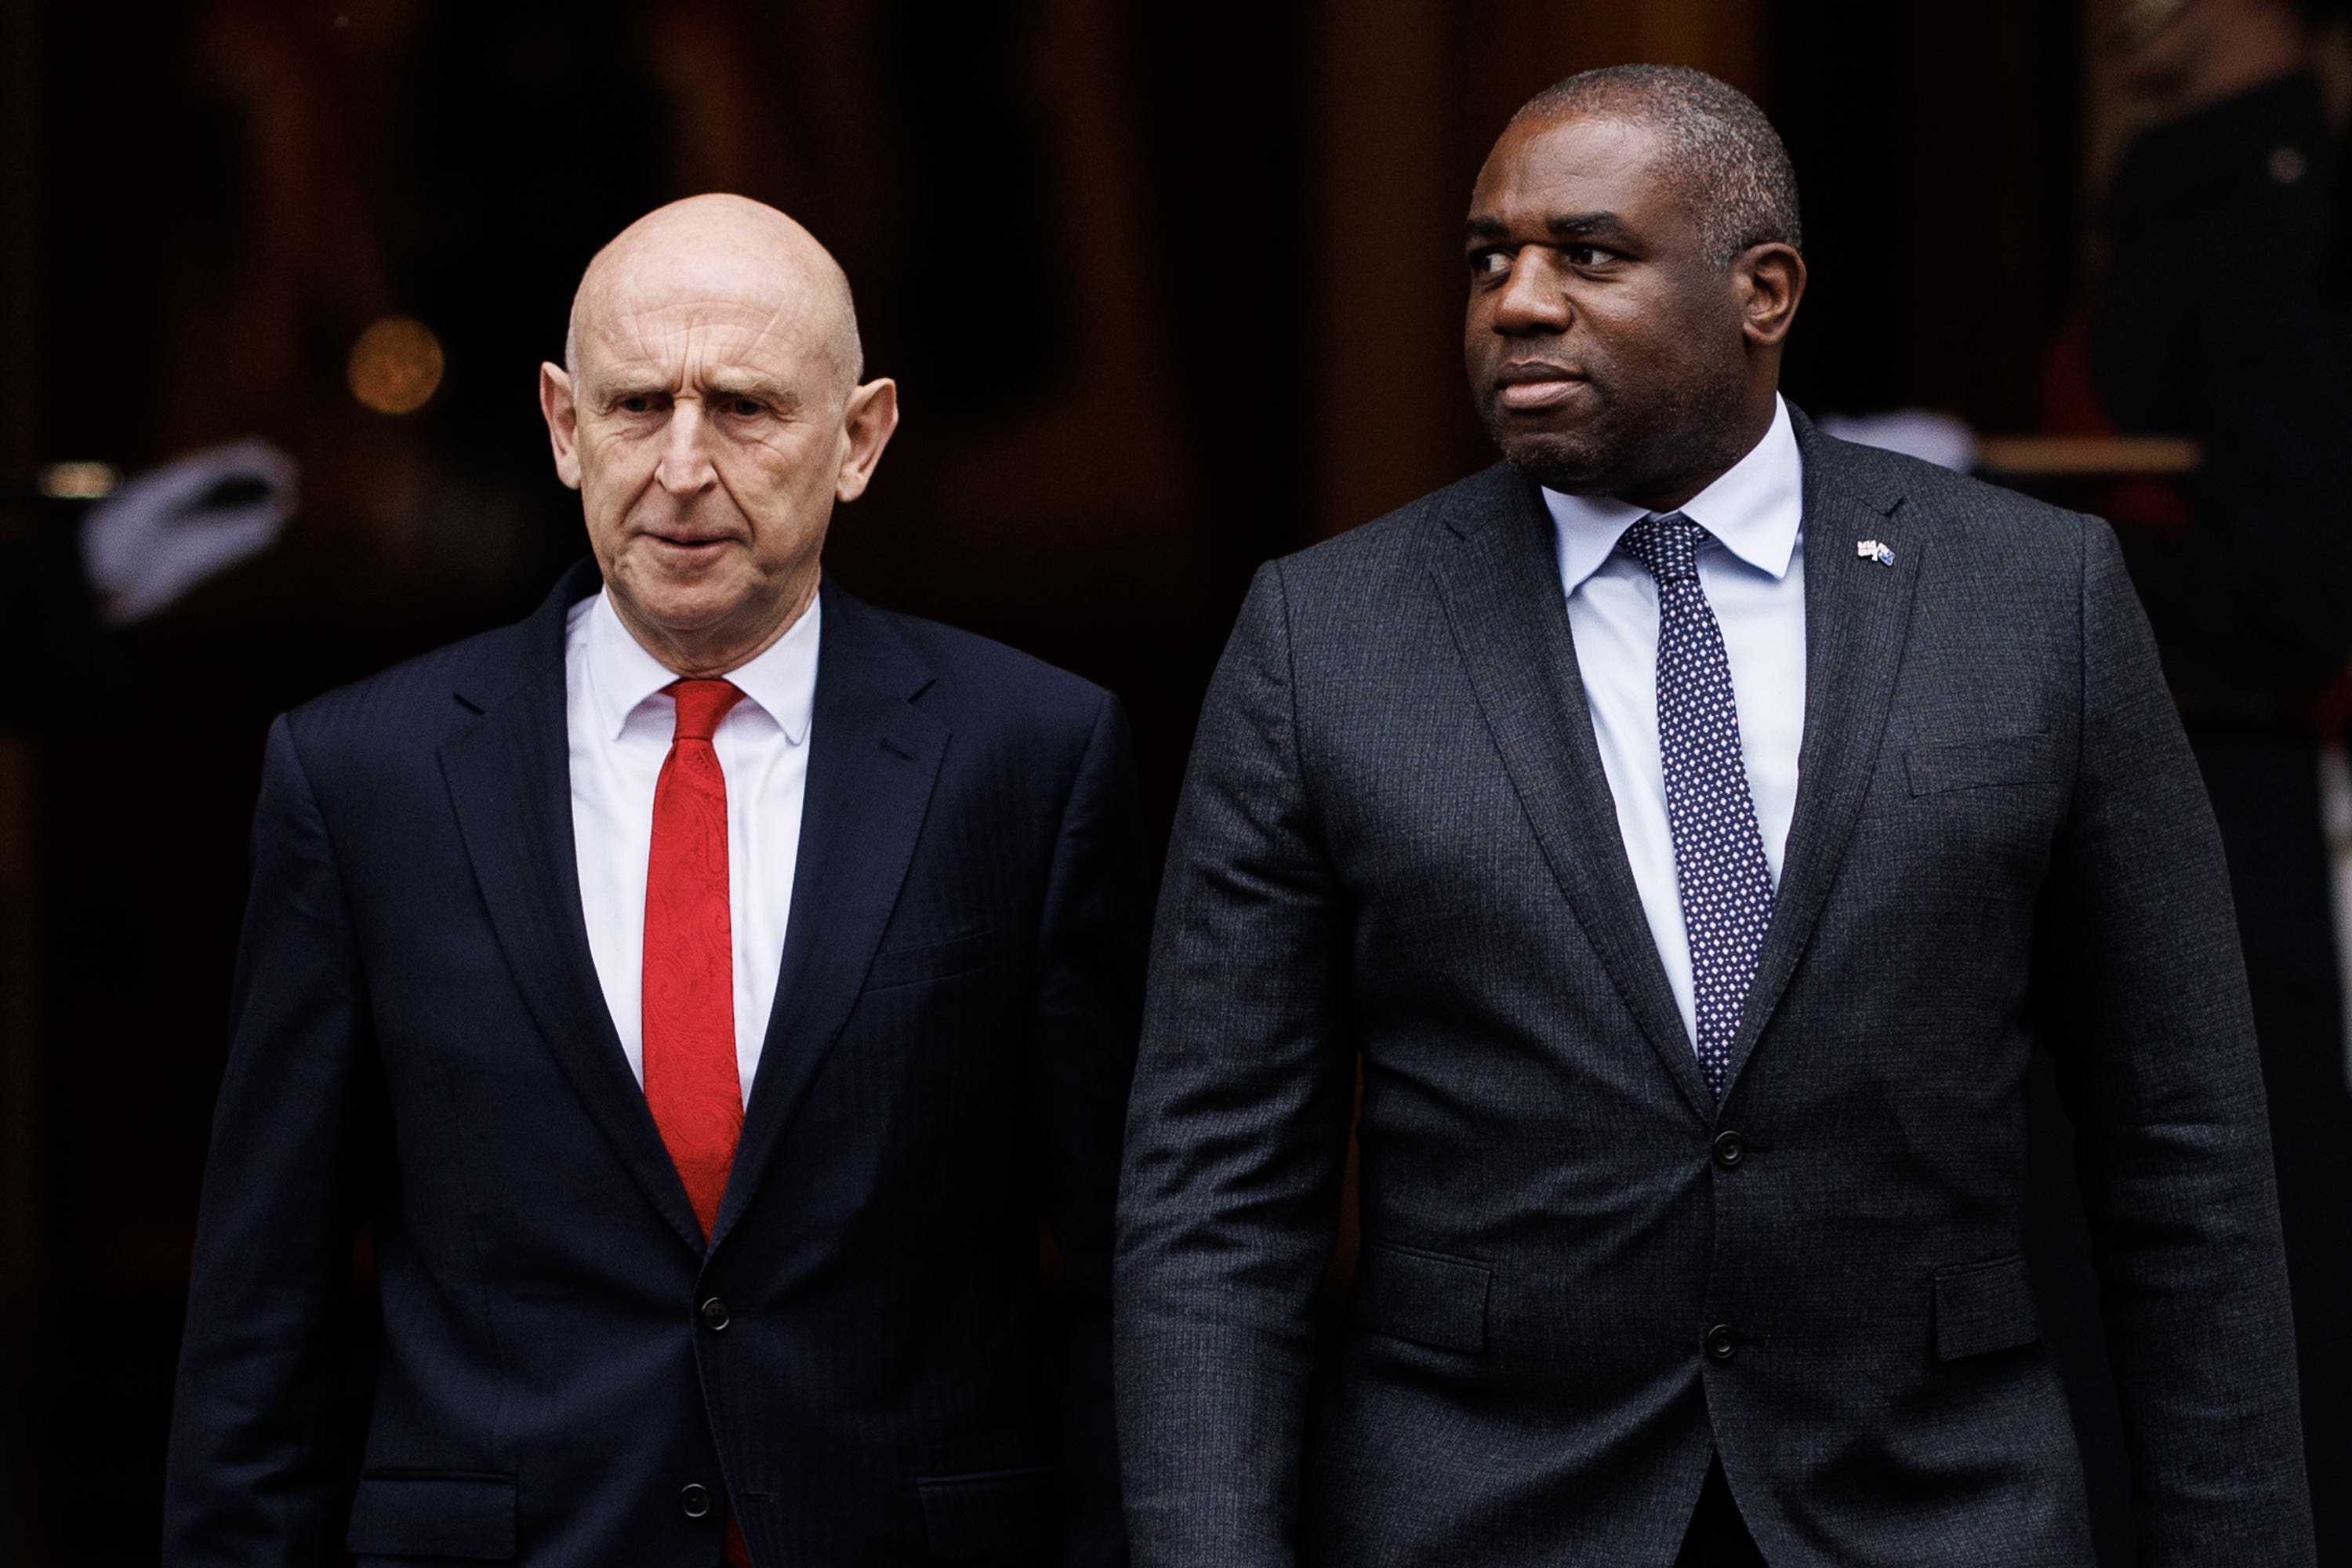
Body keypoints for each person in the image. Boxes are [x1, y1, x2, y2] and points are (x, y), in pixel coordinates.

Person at [1113, 65, 2314, 1566]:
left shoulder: (2037, 601)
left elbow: (2184, 1145)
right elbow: (1217, 1187)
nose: (1519, 303)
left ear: (1765, 290)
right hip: (1478, 1513)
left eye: (1588, 253)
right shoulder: (1327, 634)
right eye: (1489, 258)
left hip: (1934, 1508)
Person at [163, 195, 1145, 1566]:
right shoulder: (362, 778)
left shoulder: (1028, 759)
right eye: (636, 407)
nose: (683, 465)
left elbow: (1127, 1277)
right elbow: (265, 1307)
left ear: (859, 440)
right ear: (564, 426)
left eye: (743, 408)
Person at [2084, 8, 2352, 1553]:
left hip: (2239, 831)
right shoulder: (2210, 193)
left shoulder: (2274, 209)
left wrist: (1985, 539)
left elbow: (2293, 583)